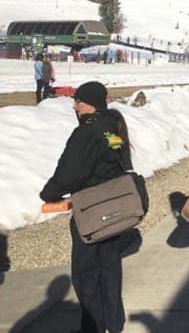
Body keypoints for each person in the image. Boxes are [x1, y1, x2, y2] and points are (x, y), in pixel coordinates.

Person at [40, 81, 131, 333]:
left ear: (89, 102)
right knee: (110, 270)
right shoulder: (113, 128)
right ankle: (114, 323)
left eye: (78, 100)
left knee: (85, 273)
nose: (74, 105)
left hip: (90, 212)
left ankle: (92, 326)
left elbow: (71, 171)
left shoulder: (86, 132)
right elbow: (121, 163)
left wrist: (49, 194)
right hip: (114, 210)